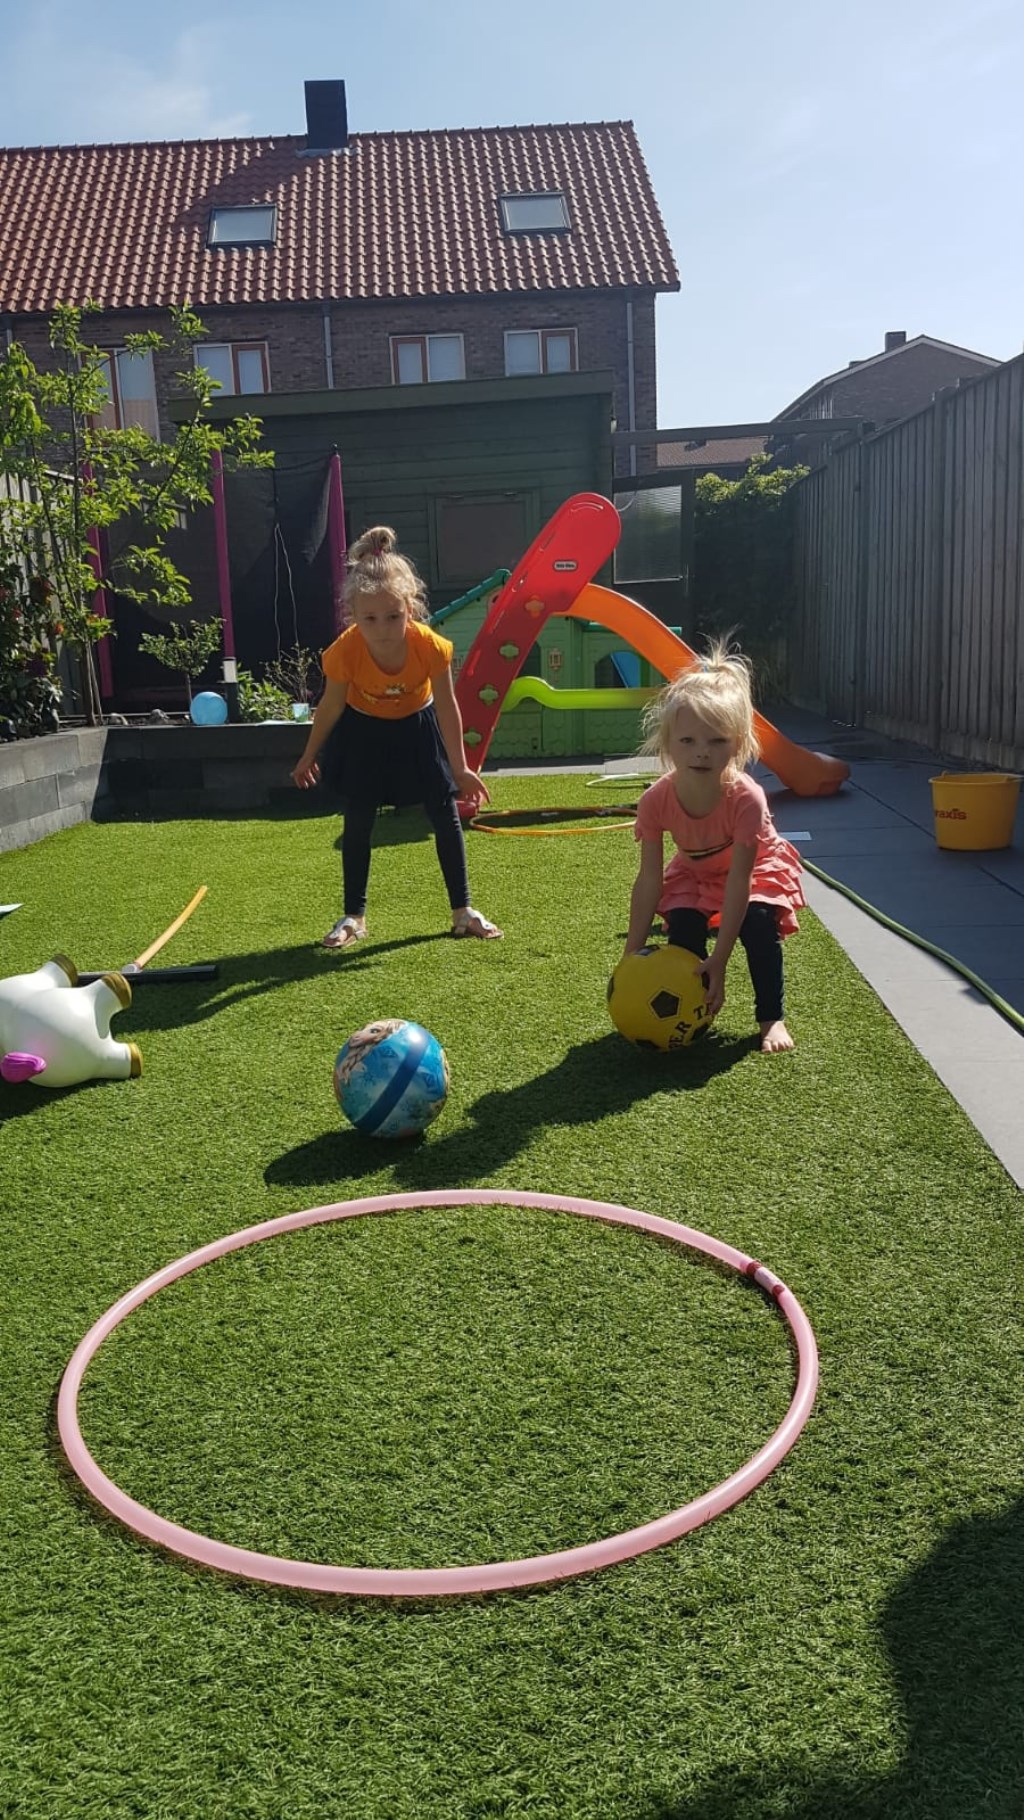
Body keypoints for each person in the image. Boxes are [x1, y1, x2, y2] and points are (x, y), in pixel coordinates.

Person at [291, 526, 502, 948]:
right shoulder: (345, 651)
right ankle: (354, 916)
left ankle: (463, 911)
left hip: (417, 726)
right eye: (369, 619)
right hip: (363, 730)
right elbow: (331, 706)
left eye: (393, 616)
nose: (383, 628)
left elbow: (447, 706)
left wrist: (460, 768)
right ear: (352, 616)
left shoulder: (431, 647)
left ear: (411, 608)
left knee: (444, 812)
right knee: (359, 818)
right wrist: (307, 755)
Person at [624, 640, 803, 1052]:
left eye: (717, 741)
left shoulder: (746, 798)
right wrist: (632, 952)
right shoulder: (656, 800)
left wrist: (720, 961)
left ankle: (771, 1017)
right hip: (693, 869)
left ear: (738, 743)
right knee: (684, 928)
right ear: (669, 743)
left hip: (752, 869)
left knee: (756, 924)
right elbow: (650, 880)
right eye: (688, 741)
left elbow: (740, 882)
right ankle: (691, 1012)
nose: (702, 752)